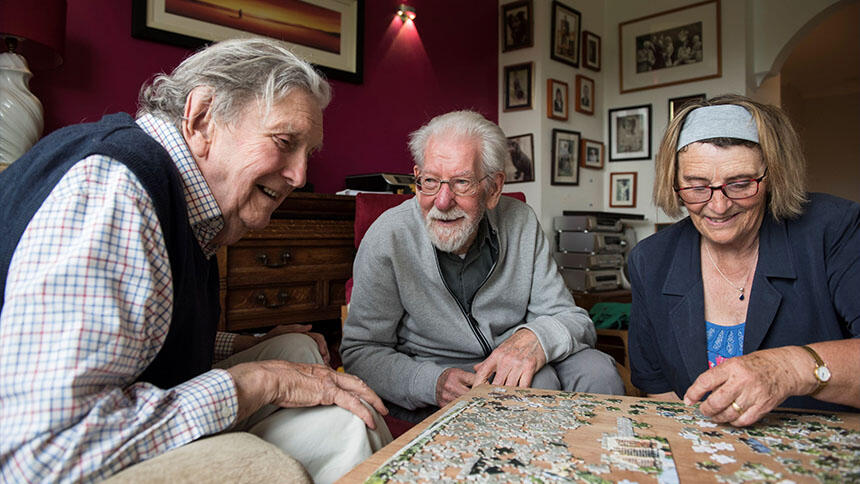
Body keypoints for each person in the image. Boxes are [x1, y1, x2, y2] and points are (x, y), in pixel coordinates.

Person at [0, 37, 391, 483]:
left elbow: (139, 329)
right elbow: (42, 452)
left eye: (308, 155)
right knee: (342, 427)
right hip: (46, 455)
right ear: (202, 118)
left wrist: (242, 347)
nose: (299, 176)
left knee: (296, 351)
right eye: (285, 141)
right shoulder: (117, 191)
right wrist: (262, 380)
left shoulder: (182, 198)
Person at [341, 110, 624, 423]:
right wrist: (431, 383)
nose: (443, 201)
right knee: (537, 386)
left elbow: (571, 319)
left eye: (462, 182)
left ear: (493, 188)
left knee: (599, 371)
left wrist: (535, 340)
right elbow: (361, 352)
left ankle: (603, 467)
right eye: (431, 182)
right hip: (436, 372)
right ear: (417, 176)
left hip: (519, 356)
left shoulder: (521, 220)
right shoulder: (388, 235)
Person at [628, 94, 860, 427]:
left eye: (740, 185)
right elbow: (659, 389)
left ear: (772, 177)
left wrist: (790, 368)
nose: (718, 206)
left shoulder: (836, 230)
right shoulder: (651, 260)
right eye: (696, 187)